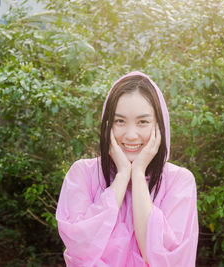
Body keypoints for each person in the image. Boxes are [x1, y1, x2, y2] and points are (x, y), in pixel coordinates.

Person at [56, 71, 199, 266]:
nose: (131, 135)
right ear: (108, 125)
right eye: (120, 121)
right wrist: (123, 175)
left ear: (159, 126)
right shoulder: (82, 174)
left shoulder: (180, 181)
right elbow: (81, 248)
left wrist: (138, 173)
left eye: (143, 122)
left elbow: (162, 258)